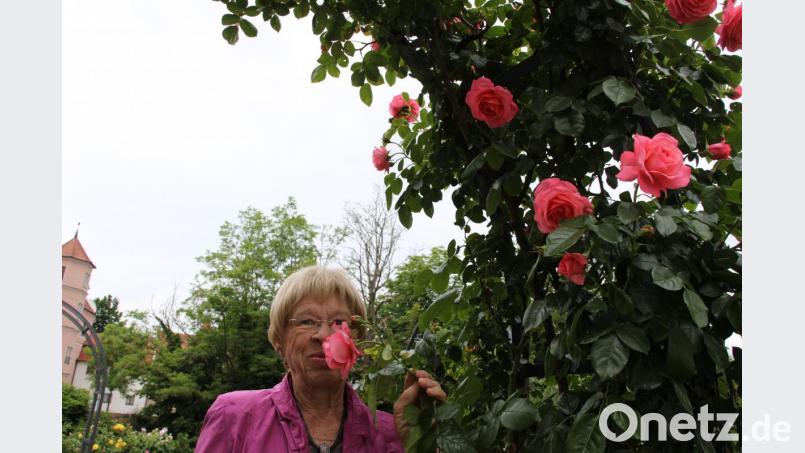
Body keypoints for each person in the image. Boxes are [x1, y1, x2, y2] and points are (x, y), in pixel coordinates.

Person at [194, 265, 446, 452]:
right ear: (279, 339)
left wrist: (418, 444)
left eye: (338, 322)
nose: (324, 334)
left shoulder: (390, 433)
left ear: (357, 340)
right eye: (306, 321)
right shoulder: (235, 418)